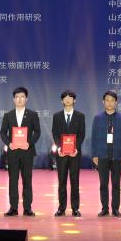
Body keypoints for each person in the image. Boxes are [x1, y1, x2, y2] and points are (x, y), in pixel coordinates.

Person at [0, 86, 42, 216]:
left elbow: (37, 132)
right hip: (13, 152)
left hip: (27, 151)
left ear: (26, 99)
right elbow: (2, 132)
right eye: (17, 97)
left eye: (22, 97)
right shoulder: (8, 115)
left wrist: (29, 143)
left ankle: (27, 208)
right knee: (13, 181)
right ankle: (13, 208)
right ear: (13, 99)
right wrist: (9, 143)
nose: (19, 99)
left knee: (27, 180)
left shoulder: (33, 114)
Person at [91, 91, 121, 217]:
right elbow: (94, 138)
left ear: (116, 102)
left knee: (116, 184)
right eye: (107, 100)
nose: (109, 103)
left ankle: (115, 209)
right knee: (103, 184)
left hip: (117, 156)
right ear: (103, 102)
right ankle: (104, 208)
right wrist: (94, 154)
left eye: (112, 100)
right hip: (102, 155)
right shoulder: (98, 118)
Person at [51, 89, 86, 217]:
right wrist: (59, 147)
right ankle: (61, 208)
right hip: (61, 154)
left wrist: (75, 148)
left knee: (75, 181)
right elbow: (55, 133)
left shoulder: (80, 116)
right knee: (62, 182)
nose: (67, 99)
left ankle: (75, 208)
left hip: (75, 153)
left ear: (74, 100)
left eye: (70, 97)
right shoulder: (57, 116)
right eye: (65, 97)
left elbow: (82, 134)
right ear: (62, 100)